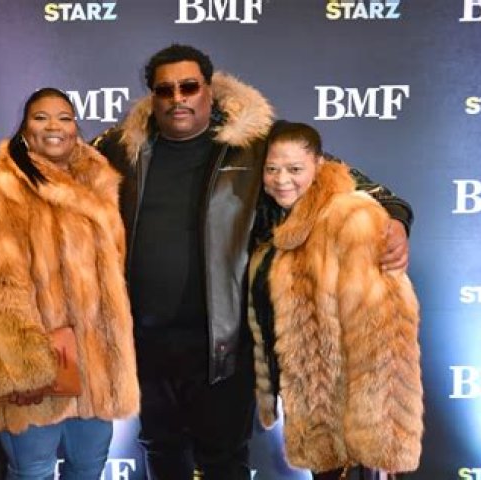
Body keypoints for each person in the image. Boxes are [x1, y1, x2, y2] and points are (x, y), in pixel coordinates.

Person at [92, 44, 413, 480]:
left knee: (223, 458)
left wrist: (394, 219)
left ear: (209, 90)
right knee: (160, 449)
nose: (178, 98)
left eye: (189, 87)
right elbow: (53, 172)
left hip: (224, 343)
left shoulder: (255, 143)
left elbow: (347, 182)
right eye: (165, 90)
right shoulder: (120, 149)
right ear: (153, 97)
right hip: (144, 342)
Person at [0, 87, 140, 480]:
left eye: (65, 118)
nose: (55, 126)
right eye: (41, 117)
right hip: (33, 361)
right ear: (25, 128)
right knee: (33, 471)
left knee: (89, 468)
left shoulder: (99, 180)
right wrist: (26, 366)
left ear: (75, 126)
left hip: (94, 362)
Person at [248, 121, 423, 480]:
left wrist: (381, 427)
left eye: (295, 169)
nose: (282, 179)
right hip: (314, 403)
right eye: (272, 169)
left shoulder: (351, 215)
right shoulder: (272, 223)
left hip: (359, 407)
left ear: (319, 165)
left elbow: (383, 332)